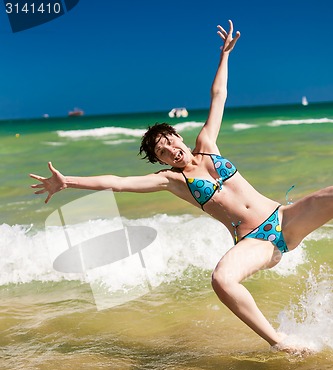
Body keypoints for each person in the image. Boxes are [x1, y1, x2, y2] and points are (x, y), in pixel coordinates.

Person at [30, 21, 333, 353]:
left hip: (284, 218)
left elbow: (218, 96)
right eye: (162, 152)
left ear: (177, 136)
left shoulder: (207, 144)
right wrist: (67, 182)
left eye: (169, 141)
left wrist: (224, 57)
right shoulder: (173, 181)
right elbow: (117, 183)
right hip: (256, 241)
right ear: (162, 160)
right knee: (221, 280)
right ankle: (282, 342)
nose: (170, 150)